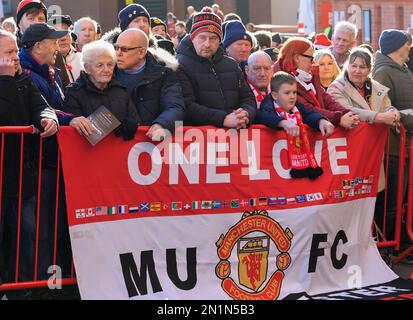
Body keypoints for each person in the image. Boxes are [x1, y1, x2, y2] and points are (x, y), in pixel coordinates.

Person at [0, 29, 58, 294]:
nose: (16, 58)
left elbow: (41, 104)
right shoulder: (11, 78)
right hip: (5, 170)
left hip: (22, 173)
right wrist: (5, 81)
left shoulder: (21, 76)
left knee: (27, 234)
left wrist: (49, 118)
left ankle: (22, 287)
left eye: (15, 51)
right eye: (9, 53)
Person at [176, 7, 256, 128]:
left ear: (220, 41)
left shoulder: (231, 64)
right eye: (202, 37)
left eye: (213, 38)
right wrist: (223, 119)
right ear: (192, 38)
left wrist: (245, 114)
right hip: (198, 140)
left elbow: (248, 98)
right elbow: (186, 106)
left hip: (236, 138)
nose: (207, 44)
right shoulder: (179, 65)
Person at [372, 29, 413, 249]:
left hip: (406, 146)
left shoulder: (403, 69)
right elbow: (383, 108)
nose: (410, 47)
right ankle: (389, 243)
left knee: (404, 198)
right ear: (398, 47)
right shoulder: (383, 72)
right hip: (392, 147)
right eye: (407, 43)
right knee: (392, 199)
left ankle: (402, 241)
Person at [257, 71, 334, 179]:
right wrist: (283, 123)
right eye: (287, 93)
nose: (292, 96)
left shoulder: (296, 105)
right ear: (274, 95)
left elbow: (308, 114)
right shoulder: (267, 104)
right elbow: (264, 116)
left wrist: (321, 121)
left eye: (294, 92)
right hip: (277, 166)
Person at [274, 37, 359, 129]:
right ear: (297, 58)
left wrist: (347, 113)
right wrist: (339, 118)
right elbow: (308, 108)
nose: (314, 62)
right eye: (311, 58)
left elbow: (328, 100)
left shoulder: (309, 76)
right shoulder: (282, 81)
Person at [115, 28, 185, 141]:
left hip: (152, 145)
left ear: (141, 52)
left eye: (124, 49)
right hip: (115, 147)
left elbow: (174, 107)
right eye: (116, 47)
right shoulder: (107, 74)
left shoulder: (163, 74)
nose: (118, 53)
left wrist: (161, 125)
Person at [63, 40, 139, 141]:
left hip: (119, 153)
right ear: (87, 68)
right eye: (99, 65)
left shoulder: (121, 91)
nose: (106, 70)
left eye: (110, 64)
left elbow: (136, 121)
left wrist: (130, 125)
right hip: (87, 154)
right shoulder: (74, 93)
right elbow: (72, 132)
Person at [48, 14, 82, 84]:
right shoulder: (46, 64)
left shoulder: (83, 59)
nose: (63, 38)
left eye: (66, 32)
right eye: (57, 33)